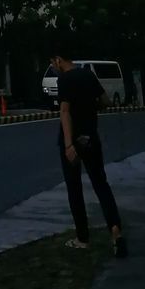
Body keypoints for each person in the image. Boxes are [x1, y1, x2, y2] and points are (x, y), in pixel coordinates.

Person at [50, 48, 127, 257]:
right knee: (101, 184)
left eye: (53, 64)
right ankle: (115, 230)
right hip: (91, 138)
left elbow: (65, 112)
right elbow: (106, 101)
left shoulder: (64, 80)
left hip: (73, 141)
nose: (54, 68)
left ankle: (82, 239)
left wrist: (68, 145)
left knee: (74, 189)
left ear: (58, 60)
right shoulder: (88, 74)